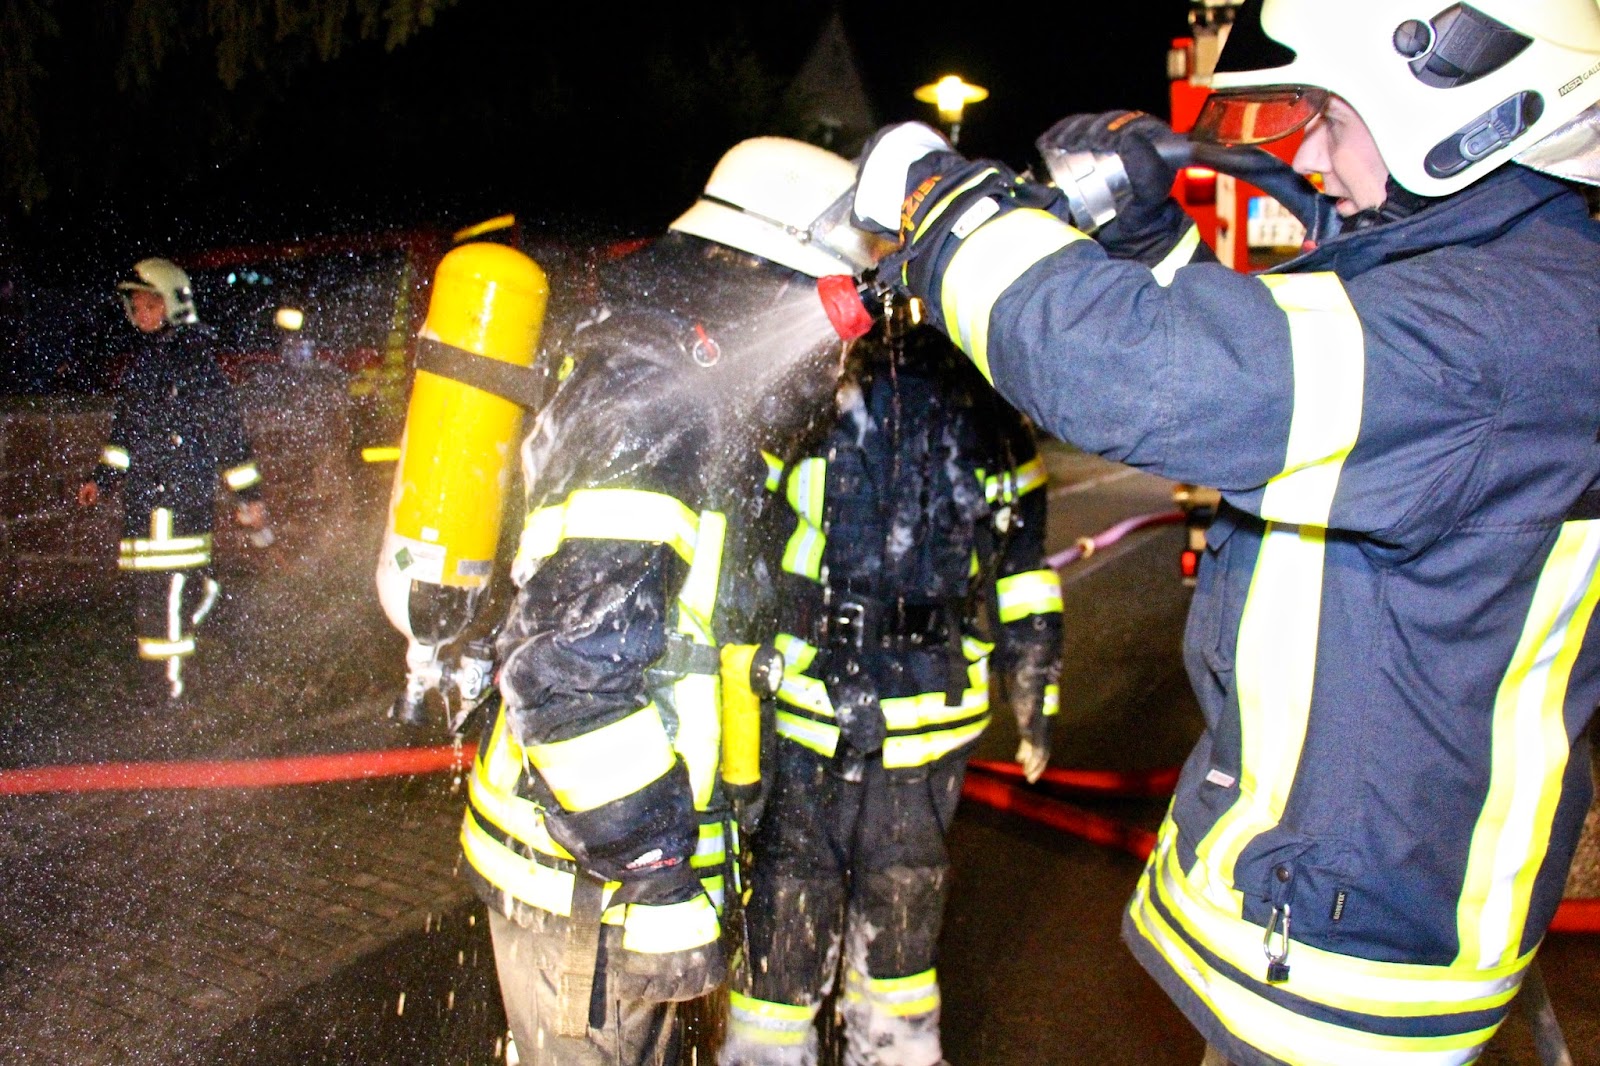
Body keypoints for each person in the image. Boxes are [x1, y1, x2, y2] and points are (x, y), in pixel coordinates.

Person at [851, 1, 1600, 1062]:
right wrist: (1147, 233)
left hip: (1350, 955)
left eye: (1333, 116)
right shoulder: (1509, 290)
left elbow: (1138, 372)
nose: (1311, 152)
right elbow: (1282, 393)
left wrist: (948, 204)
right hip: (1342, 916)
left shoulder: (1498, 330)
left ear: (1470, 107)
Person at [458, 137, 892, 1066]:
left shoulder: (702, 395)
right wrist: (656, 875)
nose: (834, 351)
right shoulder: (655, 394)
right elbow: (571, 675)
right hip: (591, 883)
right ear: (762, 278)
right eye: (832, 311)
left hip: (613, 869)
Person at [716, 304, 1063, 1066]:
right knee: (787, 905)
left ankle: (895, 1051)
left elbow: (1023, 567)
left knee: (902, 908)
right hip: (809, 710)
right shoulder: (809, 393)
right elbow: (741, 553)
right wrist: (731, 695)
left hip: (923, 720)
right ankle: (773, 1053)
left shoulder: (989, 412)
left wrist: (1034, 685)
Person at [80, 257, 266, 702]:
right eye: (136, 306)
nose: (140, 314)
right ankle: (218, 609)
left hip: (174, 500)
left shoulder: (194, 364)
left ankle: (165, 691)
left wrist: (248, 495)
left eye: (149, 304)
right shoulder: (146, 365)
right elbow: (123, 436)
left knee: (160, 597)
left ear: (173, 304)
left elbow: (227, 433)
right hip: (148, 501)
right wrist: (103, 480)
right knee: (161, 593)